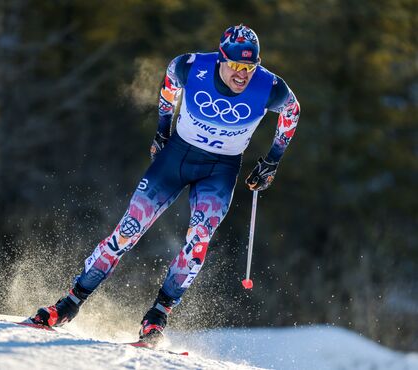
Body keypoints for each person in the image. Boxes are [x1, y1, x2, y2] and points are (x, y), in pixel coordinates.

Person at [28, 24, 300, 345]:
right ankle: (70, 303)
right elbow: (170, 87)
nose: (243, 74)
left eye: (250, 67)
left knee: (198, 240)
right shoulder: (190, 66)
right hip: (176, 159)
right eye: (236, 66)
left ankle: (157, 316)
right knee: (128, 231)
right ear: (220, 59)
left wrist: (272, 160)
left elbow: (292, 113)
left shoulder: (271, 87)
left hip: (220, 170)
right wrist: (161, 130)